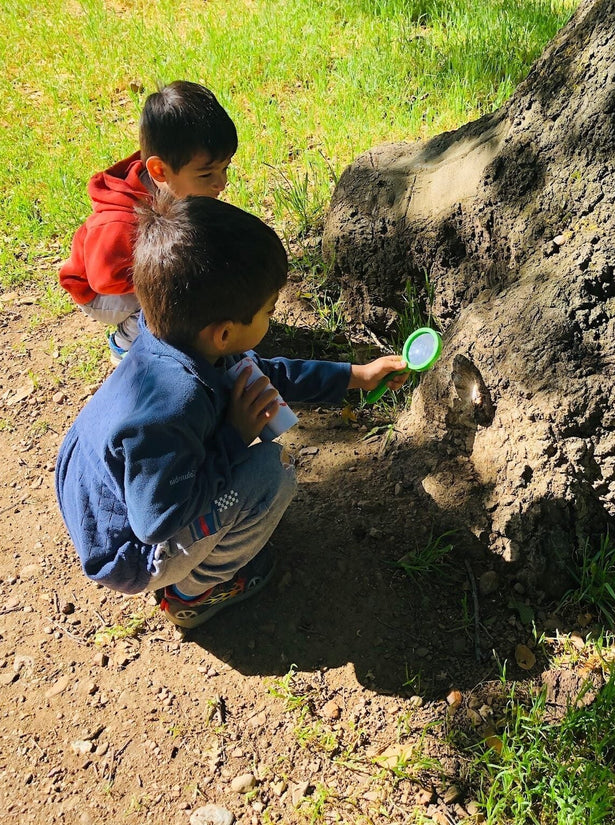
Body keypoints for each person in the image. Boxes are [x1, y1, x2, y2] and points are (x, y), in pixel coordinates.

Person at [54, 193, 407, 628]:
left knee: (249, 398)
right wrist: (233, 438)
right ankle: (191, 592)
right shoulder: (173, 406)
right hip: (129, 548)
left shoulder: (174, 330)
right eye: (268, 311)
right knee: (271, 473)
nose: (271, 320)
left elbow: (269, 373)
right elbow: (156, 521)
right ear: (223, 332)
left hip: (118, 484)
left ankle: (206, 548)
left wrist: (357, 375)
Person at [58, 80, 237, 364]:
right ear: (159, 169)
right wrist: (172, 274)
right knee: (172, 296)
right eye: (207, 175)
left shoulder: (174, 180)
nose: (222, 183)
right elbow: (104, 279)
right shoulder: (117, 222)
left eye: (225, 168)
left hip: (138, 268)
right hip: (102, 292)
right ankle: (126, 343)